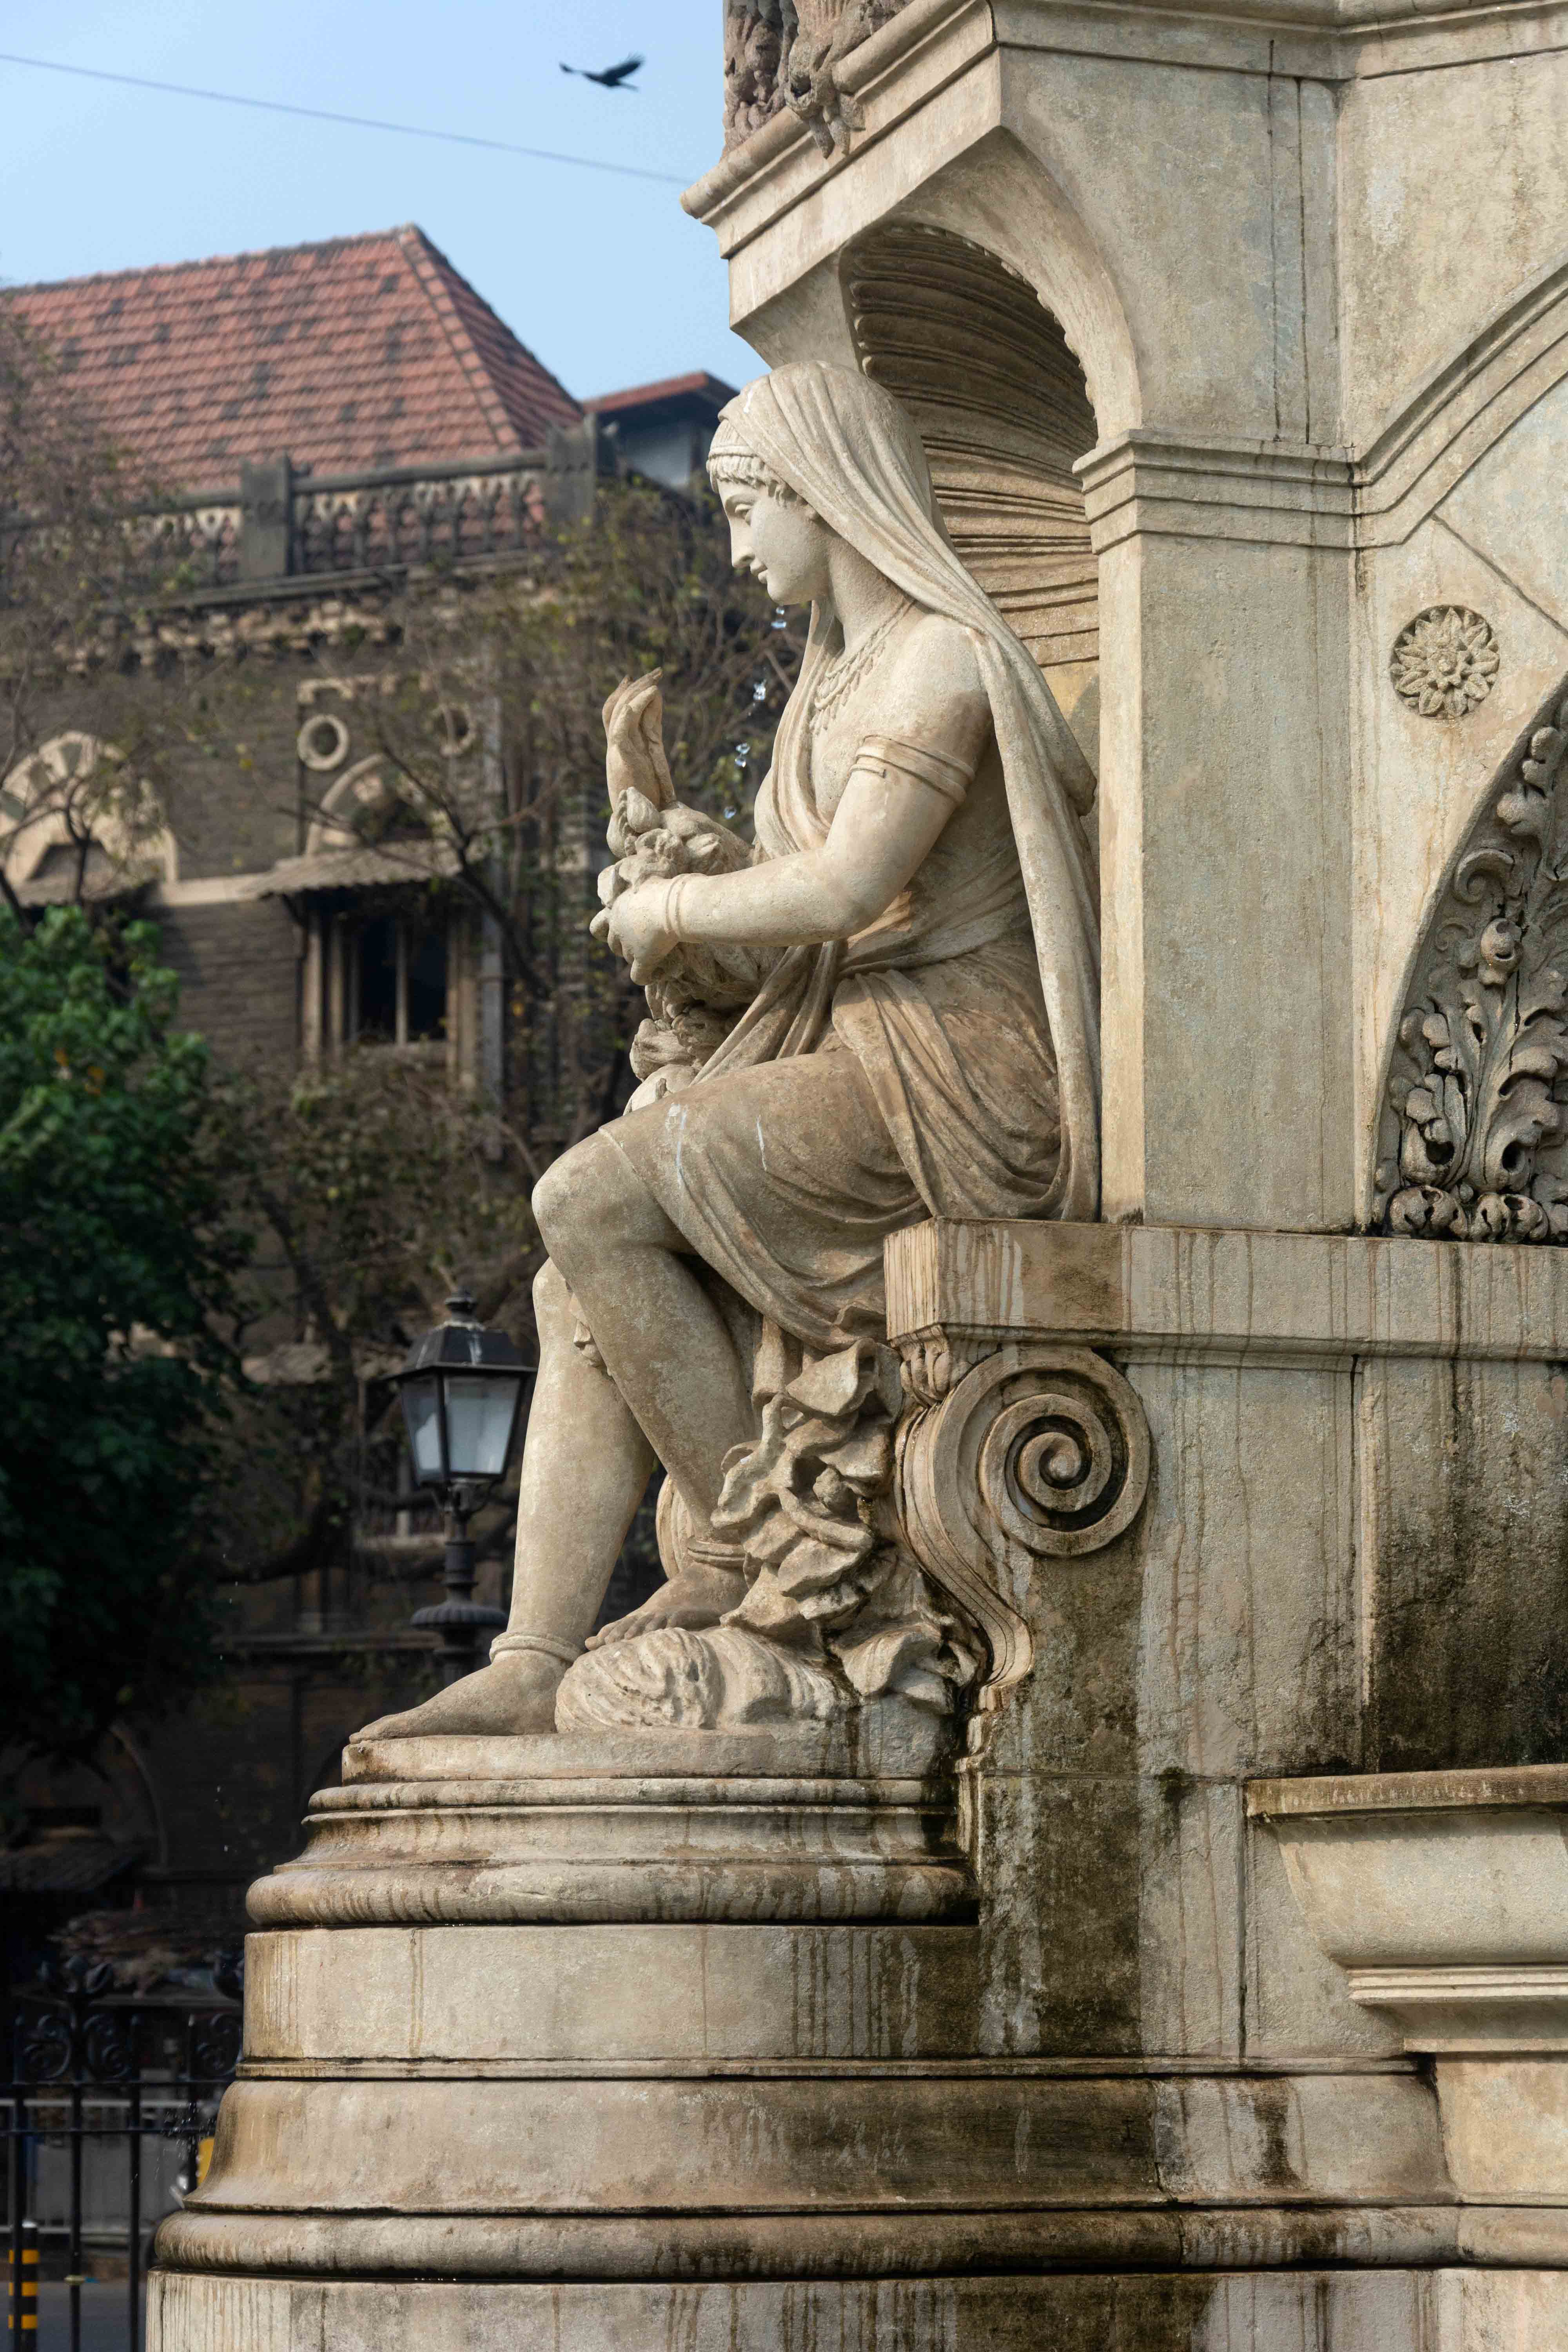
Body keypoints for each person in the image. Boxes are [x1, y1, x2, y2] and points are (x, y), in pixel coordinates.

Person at [360, 359, 1099, 1739]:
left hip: (961, 1077)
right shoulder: (823, 691)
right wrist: (693, 872)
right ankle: (533, 1655)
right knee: (575, 1285)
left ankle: (779, 1567)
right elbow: (803, 929)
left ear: (823, 493)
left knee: (588, 1196)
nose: (740, 549)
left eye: (748, 510)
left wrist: (678, 909)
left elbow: (846, 889)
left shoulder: (942, 657)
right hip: (856, 1049)